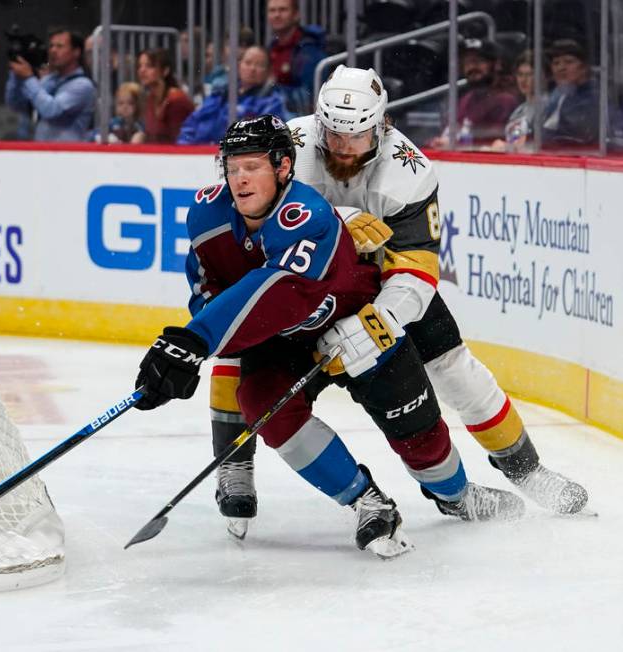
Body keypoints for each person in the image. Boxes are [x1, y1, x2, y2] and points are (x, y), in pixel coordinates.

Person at [211, 67, 586, 537]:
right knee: (239, 345)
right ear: (317, 121)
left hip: (377, 285)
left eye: (359, 135)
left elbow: (416, 269)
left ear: (382, 125)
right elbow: (248, 222)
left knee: (455, 368)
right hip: (298, 282)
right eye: (334, 134)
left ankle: (526, 469)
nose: (344, 147)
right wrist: (334, 219)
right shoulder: (290, 145)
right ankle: (234, 465)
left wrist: (380, 321)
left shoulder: (409, 172)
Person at [137, 116, 523, 553]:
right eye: (232, 167)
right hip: (283, 342)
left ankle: (456, 495)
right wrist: (184, 350)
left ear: (284, 168)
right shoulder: (208, 215)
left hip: (357, 325)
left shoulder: (308, 216)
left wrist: (197, 340)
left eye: (253, 166)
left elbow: (276, 292)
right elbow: (209, 288)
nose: (239, 179)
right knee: (263, 403)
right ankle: (366, 501)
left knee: (418, 434)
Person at [178, 45, 289, 145]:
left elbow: (265, 142)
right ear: (239, 65)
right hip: (197, 155)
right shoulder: (220, 95)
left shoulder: (272, 103)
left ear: (268, 71)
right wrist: (184, 148)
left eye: (259, 65)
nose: (252, 69)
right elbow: (191, 125)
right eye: (248, 63)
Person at [5, 27, 96, 142]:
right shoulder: (49, 80)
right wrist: (16, 76)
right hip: (43, 154)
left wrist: (28, 78)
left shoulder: (83, 85)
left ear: (76, 52)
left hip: (68, 156)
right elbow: (16, 104)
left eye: (59, 46)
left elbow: (51, 110)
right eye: (51, 46)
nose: (53, 50)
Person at [429, 39, 519, 148]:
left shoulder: (505, 100)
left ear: (496, 64)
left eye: (478, 61)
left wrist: (455, 142)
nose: (472, 67)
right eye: (467, 62)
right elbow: (452, 130)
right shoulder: (466, 99)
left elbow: (491, 142)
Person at [266, 0, 327, 116]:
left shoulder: (309, 50)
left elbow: (309, 97)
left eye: (283, 10)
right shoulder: (272, 47)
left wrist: (270, 89)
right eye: (272, 10)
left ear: (296, 14)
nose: (277, 15)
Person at [540, 39, 599, 148]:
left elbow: (574, 140)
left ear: (584, 67)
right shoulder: (558, 94)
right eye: (556, 63)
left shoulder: (594, 99)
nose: (561, 68)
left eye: (568, 61)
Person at [136, 48, 194, 144]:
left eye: (149, 66)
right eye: (140, 66)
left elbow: (179, 142)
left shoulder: (176, 99)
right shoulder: (151, 98)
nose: (142, 70)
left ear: (165, 71)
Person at [491, 51, 539, 152]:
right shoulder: (519, 110)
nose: (523, 80)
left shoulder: (547, 108)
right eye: (520, 74)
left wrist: (508, 147)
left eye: (529, 74)